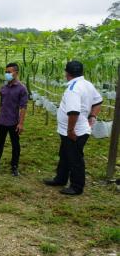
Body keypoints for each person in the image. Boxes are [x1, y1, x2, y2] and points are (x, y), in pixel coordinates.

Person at [43, 61, 102, 195]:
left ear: (67, 73)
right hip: (73, 129)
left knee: (75, 158)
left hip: (75, 131)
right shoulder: (87, 84)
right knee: (64, 154)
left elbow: (74, 112)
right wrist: (92, 115)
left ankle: (76, 187)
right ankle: (60, 179)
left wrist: (70, 130)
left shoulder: (73, 88)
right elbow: (98, 101)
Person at [0, 63, 28, 176]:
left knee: (15, 145)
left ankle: (14, 166)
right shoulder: (3, 88)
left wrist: (21, 123)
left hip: (14, 122)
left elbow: (23, 107)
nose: (7, 74)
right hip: (2, 121)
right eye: (6, 72)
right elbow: (1, 105)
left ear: (16, 73)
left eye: (9, 72)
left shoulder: (21, 89)